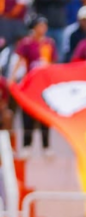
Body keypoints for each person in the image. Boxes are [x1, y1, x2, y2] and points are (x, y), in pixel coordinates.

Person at [12, 17, 57, 157]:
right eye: (40, 26)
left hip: (45, 86)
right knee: (28, 115)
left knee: (45, 116)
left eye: (44, 26)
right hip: (30, 85)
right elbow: (19, 61)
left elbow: (53, 63)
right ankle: (27, 145)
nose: (42, 29)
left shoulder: (49, 43)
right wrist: (12, 78)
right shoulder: (26, 43)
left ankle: (46, 146)